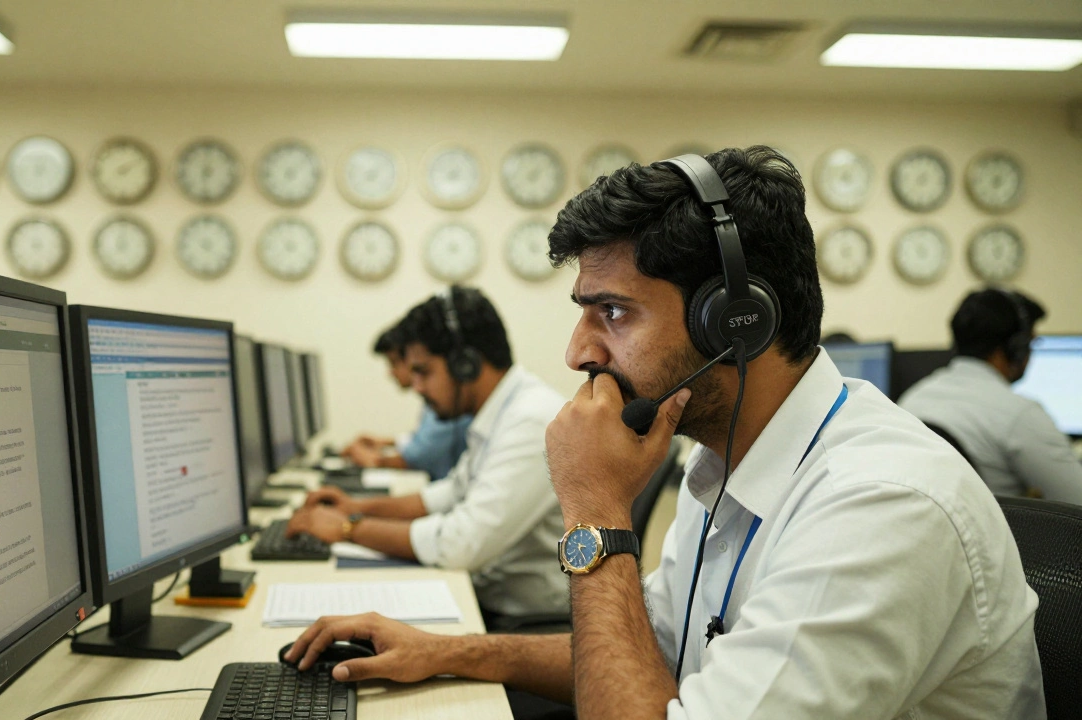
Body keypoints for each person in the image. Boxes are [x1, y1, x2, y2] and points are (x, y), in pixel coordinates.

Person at [282, 148, 1046, 719]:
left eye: (611, 312)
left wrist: (595, 511)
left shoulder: (881, 506)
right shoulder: (726, 462)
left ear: (735, 320)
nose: (578, 352)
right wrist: (450, 652)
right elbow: (652, 641)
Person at [288, 286, 570, 618]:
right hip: (488, 599)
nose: (415, 386)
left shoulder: (533, 421)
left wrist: (348, 528)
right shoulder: (500, 413)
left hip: (528, 622)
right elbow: (448, 494)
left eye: (423, 371)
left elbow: (460, 545)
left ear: (466, 364)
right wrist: (356, 507)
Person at [899, 288, 1082, 504]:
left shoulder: (911, 399)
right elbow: (1076, 501)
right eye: (1031, 343)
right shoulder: (1019, 415)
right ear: (1017, 348)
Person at [341, 320, 472, 480]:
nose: (390, 372)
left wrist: (375, 460)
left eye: (393, 363)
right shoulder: (434, 399)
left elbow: (420, 456)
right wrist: (388, 442)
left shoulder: (447, 401)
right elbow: (424, 439)